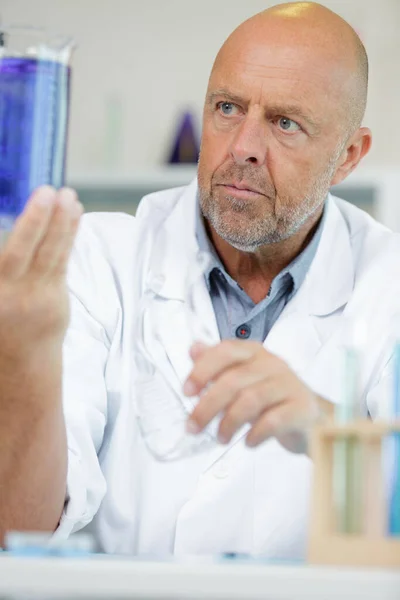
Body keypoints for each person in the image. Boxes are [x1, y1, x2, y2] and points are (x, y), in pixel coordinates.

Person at [0, 1, 398, 558]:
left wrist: (327, 431)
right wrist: (25, 356)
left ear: (348, 157)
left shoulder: (390, 285)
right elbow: (18, 530)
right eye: (228, 108)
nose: (243, 148)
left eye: (286, 123)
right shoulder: (98, 259)